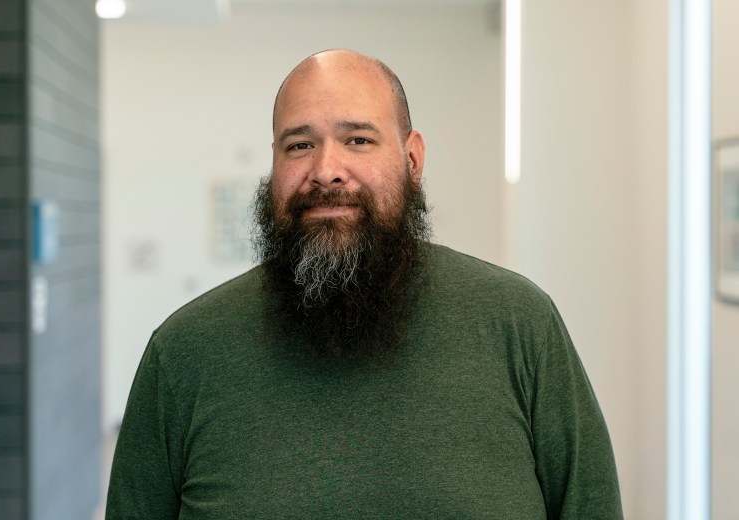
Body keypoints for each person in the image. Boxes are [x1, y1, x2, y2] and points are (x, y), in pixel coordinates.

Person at [106, 49, 623, 519]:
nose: (326, 170)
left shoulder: (521, 325)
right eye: (300, 144)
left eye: (358, 140)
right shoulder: (182, 353)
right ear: (273, 163)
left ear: (413, 160)